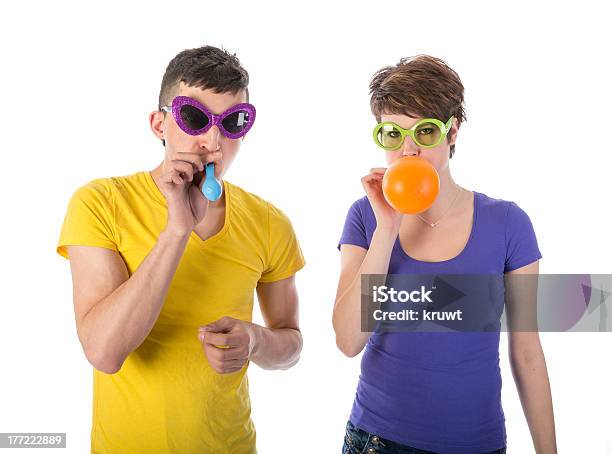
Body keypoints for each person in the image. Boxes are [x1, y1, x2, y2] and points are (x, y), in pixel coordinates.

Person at [56, 45, 305, 453]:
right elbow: (104, 351)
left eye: (232, 122)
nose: (213, 141)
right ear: (159, 123)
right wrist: (177, 230)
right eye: (194, 118)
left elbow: (291, 345)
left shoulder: (269, 222)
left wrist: (256, 341)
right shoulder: (100, 202)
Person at [333, 55, 556, 454]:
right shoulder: (365, 216)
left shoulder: (508, 223)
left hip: (478, 444)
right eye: (392, 135)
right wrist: (387, 227)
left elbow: (527, 353)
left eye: (425, 132)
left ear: (452, 132)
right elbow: (349, 340)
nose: (408, 151)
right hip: (376, 442)